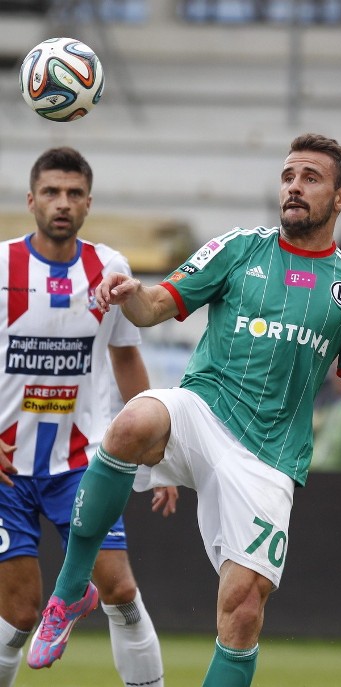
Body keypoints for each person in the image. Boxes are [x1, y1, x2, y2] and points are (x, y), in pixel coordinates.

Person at [27, 134, 341, 687]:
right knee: (130, 424)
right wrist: (130, 292)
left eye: (310, 178)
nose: (294, 187)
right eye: (288, 176)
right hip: (203, 411)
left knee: (244, 607)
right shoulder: (240, 248)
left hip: (270, 458)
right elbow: (156, 306)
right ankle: (70, 589)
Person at [0, 147, 177, 687]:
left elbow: (126, 356)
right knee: (21, 612)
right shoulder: (2, 265)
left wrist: (157, 456)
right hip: (6, 469)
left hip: (80, 462)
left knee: (121, 591)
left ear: (88, 203)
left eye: (74, 194)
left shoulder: (110, 269)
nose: (62, 203)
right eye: (51, 192)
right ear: (31, 199)